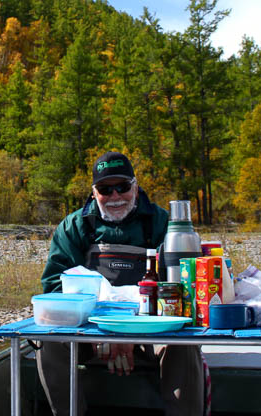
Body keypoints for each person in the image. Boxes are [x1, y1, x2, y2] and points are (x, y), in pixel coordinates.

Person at [37, 151, 204, 416]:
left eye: (123, 187)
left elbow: (181, 288)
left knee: (184, 343)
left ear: (135, 188)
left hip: (152, 329)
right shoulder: (73, 227)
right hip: (90, 331)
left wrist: (129, 331)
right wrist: (104, 331)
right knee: (49, 342)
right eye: (105, 189)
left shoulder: (163, 224)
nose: (115, 196)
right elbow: (55, 287)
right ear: (94, 192)